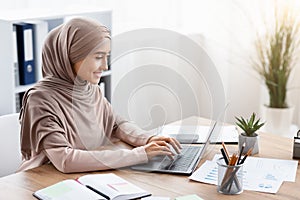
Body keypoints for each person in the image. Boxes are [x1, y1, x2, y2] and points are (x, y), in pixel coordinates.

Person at [18, 17, 181, 173]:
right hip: (45, 181)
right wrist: (138, 155)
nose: (104, 66)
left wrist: (147, 139)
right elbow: (65, 160)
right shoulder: (40, 99)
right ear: (70, 57)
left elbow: (116, 124)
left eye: (106, 56)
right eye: (98, 57)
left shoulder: (89, 88)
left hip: (85, 176)